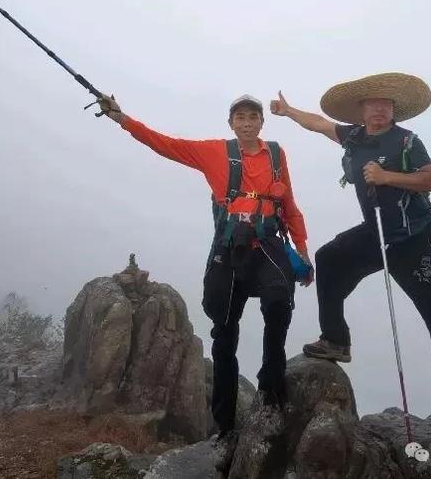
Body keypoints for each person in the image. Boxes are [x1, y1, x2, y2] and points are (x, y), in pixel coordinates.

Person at [97, 91, 313, 464]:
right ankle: (225, 426)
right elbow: (165, 144)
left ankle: (271, 376)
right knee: (224, 331)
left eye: (253, 117)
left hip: (266, 245)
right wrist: (121, 118)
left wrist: (303, 251)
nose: (246, 123)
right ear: (231, 123)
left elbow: (289, 205)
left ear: (261, 122)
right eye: (240, 118)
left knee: (280, 300)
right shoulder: (214, 152)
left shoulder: (276, 155)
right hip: (229, 251)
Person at [271, 72, 431, 418]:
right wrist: (288, 111)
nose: (379, 109)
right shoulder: (353, 137)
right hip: (376, 233)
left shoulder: (406, 141)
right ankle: (336, 340)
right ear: (361, 111)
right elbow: (318, 124)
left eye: (385, 104)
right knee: (329, 259)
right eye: (372, 104)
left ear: (394, 110)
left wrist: (387, 177)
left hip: (415, 238)